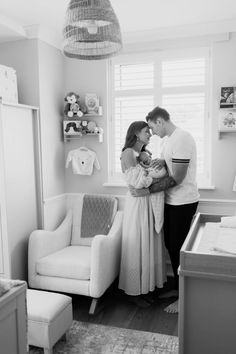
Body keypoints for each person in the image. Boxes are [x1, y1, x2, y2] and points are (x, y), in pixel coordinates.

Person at [130, 107, 199, 313]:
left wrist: (147, 190)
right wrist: (162, 161)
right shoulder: (170, 141)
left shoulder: (182, 138)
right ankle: (178, 290)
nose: (152, 133)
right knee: (171, 245)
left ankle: (184, 298)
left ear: (159, 121)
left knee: (179, 249)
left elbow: (177, 177)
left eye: (152, 127)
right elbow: (171, 166)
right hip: (172, 201)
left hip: (183, 202)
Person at [118, 121, 167, 306]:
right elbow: (137, 182)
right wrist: (153, 173)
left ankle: (145, 286)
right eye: (147, 131)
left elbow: (147, 179)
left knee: (148, 241)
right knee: (138, 243)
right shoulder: (128, 153)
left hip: (146, 200)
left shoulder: (143, 154)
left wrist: (148, 166)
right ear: (136, 133)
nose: (150, 134)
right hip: (137, 202)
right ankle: (133, 291)